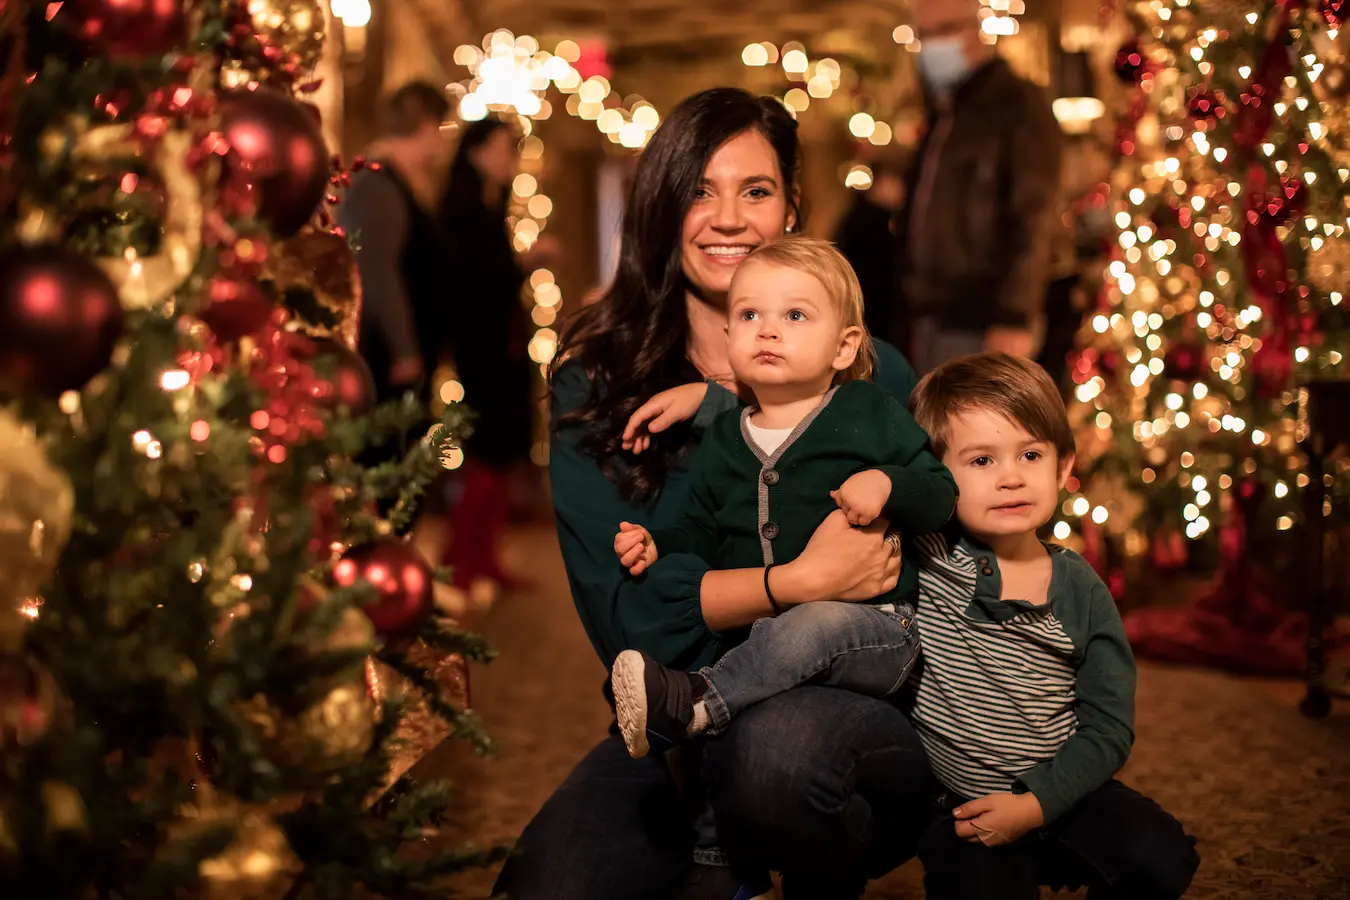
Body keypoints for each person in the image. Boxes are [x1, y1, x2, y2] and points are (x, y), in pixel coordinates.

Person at [493, 88, 933, 900]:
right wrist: (794, 584)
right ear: (661, 207)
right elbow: (632, 625)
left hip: (844, 718)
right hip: (681, 727)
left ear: (792, 209)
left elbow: (918, 566)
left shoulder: (868, 372)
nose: (727, 218)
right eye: (699, 189)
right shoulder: (597, 387)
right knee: (545, 889)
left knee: (775, 762)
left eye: (755, 191)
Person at [609, 237, 955, 760]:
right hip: (761, 640)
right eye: (749, 315)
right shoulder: (725, 436)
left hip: (877, 628)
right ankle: (710, 836)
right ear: (729, 338)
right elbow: (703, 531)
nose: (768, 329)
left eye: (795, 315)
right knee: (733, 734)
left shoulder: (866, 410)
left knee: (809, 626)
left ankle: (695, 705)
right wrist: (658, 544)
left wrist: (888, 483)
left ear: (844, 347)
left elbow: (941, 493)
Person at [905, 353, 1200, 899]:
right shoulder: (930, 555)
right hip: (963, 811)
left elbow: (1108, 726)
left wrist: (1037, 805)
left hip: (1061, 796)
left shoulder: (1082, 590)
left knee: (1161, 854)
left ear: (1063, 468)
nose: (1011, 477)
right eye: (981, 461)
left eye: (1030, 454)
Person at [896, 0, 1064, 372]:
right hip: (933, 315)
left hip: (984, 318)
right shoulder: (946, 110)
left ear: (977, 29)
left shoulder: (1017, 104)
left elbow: (1034, 215)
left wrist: (1014, 316)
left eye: (942, 31)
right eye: (922, 35)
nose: (930, 46)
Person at [437, 118, 540, 589]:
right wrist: (522, 264)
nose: (508, 158)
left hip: (502, 346)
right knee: (486, 452)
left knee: (499, 452)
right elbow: (470, 285)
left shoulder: (490, 206)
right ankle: (461, 557)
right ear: (476, 152)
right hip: (482, 351)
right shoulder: (462, 211)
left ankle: (481, 556)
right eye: (500, 149)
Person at [339, 80, 450, 403]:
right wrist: (403, 349)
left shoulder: (396, 182)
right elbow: (377, 270)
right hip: (387, 358)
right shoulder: (377, 183)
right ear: (428, 126)